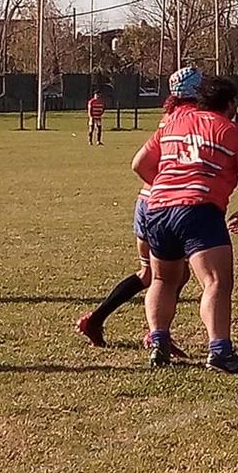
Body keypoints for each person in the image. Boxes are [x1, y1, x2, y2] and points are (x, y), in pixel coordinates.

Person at [132, 72, 238, 373]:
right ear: (230, 104)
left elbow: (139, 164)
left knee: (163, 279)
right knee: (215, 281)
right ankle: (219, 351)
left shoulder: (173, 124)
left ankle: (159, 342)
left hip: (158, 208)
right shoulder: (233, 132)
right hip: (199, 209)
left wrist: (170, 186)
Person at [77, 89, 193, 351]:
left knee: (150, 273)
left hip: (145, 201)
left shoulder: (167, 120)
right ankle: (158, 334)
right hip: (164, 205)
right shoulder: (190, 122)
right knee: (174, 274)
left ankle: (96, 320)